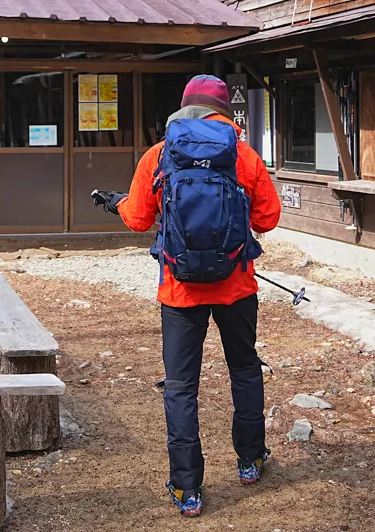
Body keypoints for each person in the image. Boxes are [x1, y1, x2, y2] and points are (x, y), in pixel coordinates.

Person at [113, 74, 281, 518]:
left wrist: (118, 204)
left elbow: (136, 219)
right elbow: (268, 219)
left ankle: (187, 487)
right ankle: (250, 460)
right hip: (237, 286)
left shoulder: (159, 155)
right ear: (223, 112)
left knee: (182, 386)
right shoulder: (242, 155)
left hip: (179, 289)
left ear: (182, 108)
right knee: (244, 369)